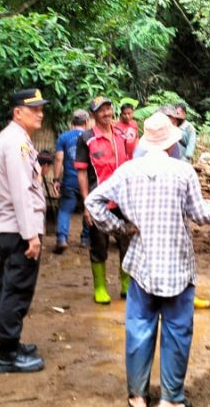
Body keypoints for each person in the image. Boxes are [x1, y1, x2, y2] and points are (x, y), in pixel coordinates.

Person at [85, 112, 210, 407]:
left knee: (138, 328)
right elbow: (200, 215)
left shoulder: (127, 171)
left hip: (142, 265)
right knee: (177, 330)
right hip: (177, 266)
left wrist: (121, 228)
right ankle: (171, 399)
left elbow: (93, 202)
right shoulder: (183, 171)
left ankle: (137, 396)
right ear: (171, 144)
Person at [0, 88, 50, 374]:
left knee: (8, 285)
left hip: (11, 228)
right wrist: (31, 235)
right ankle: (7, 354)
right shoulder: (15, 143)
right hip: (19, 229)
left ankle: (10, 343)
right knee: (16, 289)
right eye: (34, 108)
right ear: (18, 112)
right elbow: (21, 192)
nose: (40, 113)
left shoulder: (14, 139)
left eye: (41, 108)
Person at [134, 105, 210, 310]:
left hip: (172, 205)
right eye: (171, 118)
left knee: (176, 249)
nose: (175, 121)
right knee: (158, 251)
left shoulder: (173, 143)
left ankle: (183, 291)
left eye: (176, 119)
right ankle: (165, 296)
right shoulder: (144, 148)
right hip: (153, 206)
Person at [76, 96, 135, 304]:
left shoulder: (121, 134)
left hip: (123, 200)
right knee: (99, 245)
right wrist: (86, 204)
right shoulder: (86, 138)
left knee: (127, 242)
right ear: (93, 114)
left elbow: (129, 165)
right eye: (101, 110)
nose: (106, 113)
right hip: (99, 201)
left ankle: (126, 284)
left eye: (109, 109)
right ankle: (100, 287)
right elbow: (82, 173)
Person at [52, 110, 90, 253]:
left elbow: (59, 158)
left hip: (70, 180)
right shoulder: (90, 136)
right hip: (87, 180)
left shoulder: (64, 137)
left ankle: (62, 238)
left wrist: (56, 179)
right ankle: (85, 239)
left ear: (72, 122)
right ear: (86, 122)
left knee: (65, 210)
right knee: (89, 207)